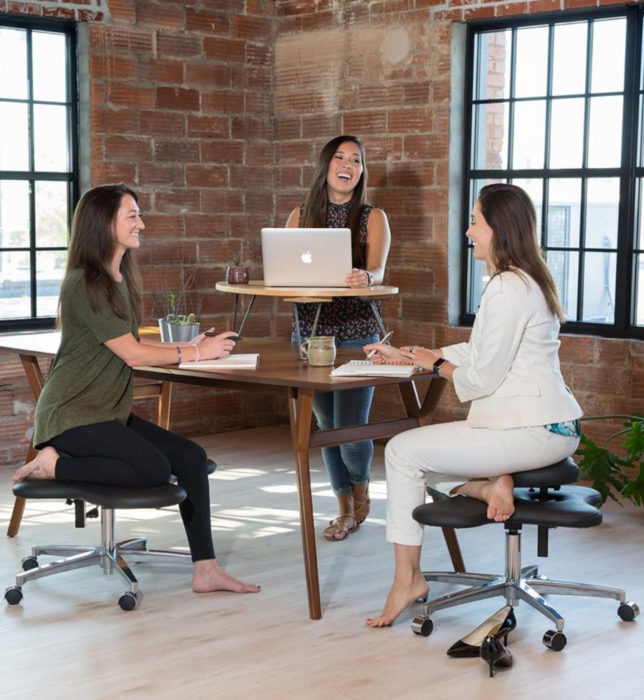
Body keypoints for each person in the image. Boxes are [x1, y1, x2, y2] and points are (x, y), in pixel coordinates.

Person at [13, 183, 261, 596]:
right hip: (72, 414)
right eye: (132, 215)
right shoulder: (84, 283)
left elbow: (134, 342)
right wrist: (195, 354)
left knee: (191, 458)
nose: (141, 223)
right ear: (103, 223)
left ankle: (206, 568)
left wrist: (194, 346)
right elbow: (131, 354)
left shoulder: (119, 278)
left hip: (107, 412)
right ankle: (54, 464)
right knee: (150, 469)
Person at [363, 183, 582, 626]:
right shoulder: (526, 279)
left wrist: (439, 364)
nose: (467, 231)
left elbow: (482, 376)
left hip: (529, 431)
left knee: (404, 452)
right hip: (551, 428)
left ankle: (408, 578)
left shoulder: (507, 287)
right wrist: (414, 355)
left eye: (475, 222)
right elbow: (484, 350)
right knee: (419, 457)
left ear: (498, 229)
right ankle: (487, 485)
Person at [286, 135, 391, 541]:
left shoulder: (372, 217)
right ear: (326, 165)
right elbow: (286, 268)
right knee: (326, 426)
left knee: (351, 426)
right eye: (340, 157)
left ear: (361, 171)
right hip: (311, 336)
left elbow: (379, 272)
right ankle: (344, 510)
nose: (347, 165)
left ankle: (362, 500)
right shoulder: (299, 215)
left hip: (356, 336)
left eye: (356, 160)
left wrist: (366, 276)